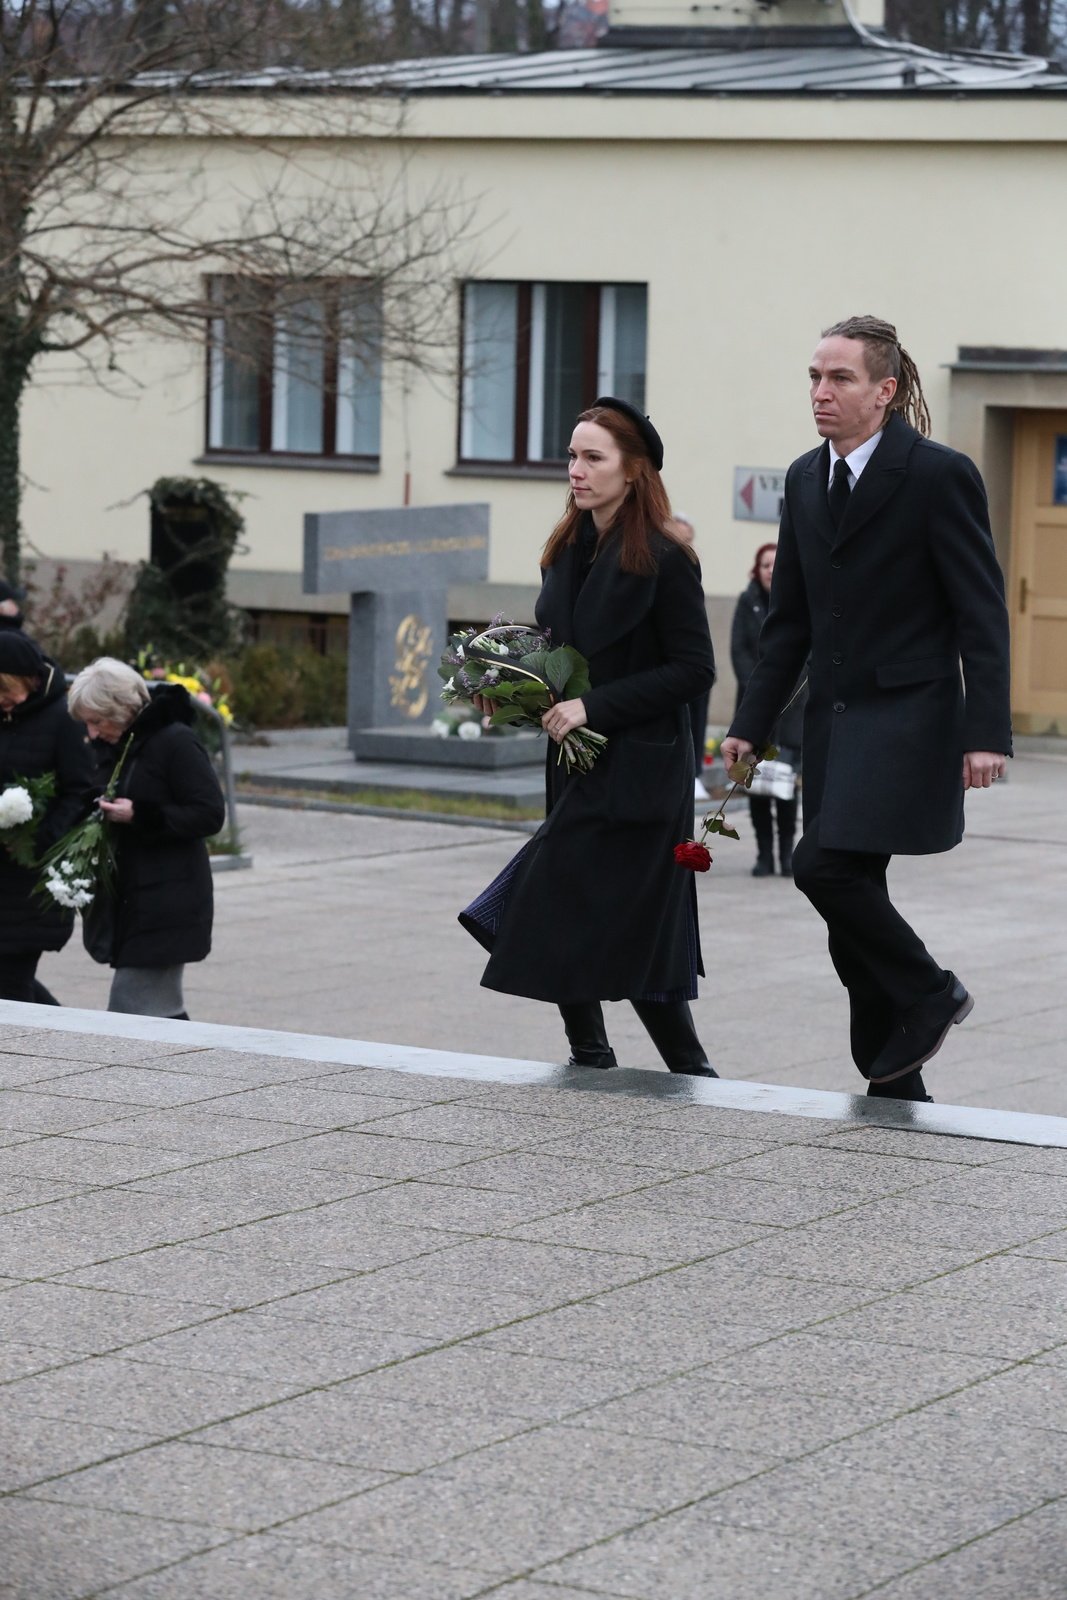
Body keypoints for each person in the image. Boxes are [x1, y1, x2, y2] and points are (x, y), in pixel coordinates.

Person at [721, 316, 1011, 1103]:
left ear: (883, 392)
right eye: (814, 376)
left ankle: (931, 991)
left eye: (839, 378)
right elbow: (789, 623)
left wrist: (986, 731)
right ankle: (893, 1078)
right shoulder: (804, 479)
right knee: (853, 895)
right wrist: (747, 723)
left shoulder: (936, 474)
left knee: (819, 867)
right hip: (835, 723)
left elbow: (980, 612)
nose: (820, 391)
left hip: (910, 715)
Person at [459, 398, 719, 1076]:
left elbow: (694, 670)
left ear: (632, 471)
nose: (575, 470)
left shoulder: (666, 559)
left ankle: (689, 1071)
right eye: (571, 456)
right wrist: (513, 688)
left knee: (607, 919)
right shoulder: (567, 550)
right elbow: (561, 650)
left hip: (642, 775)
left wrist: (592, 706)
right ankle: (592, 1055)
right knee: (565, 906)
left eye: (592, 457)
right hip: (578, 767)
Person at [67, 658, 225, 1019]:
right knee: (155, 1012)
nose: (91, 732)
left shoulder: (176, 741)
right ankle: (192, 1068)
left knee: (133, 1007)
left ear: (121, 708)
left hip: (169, 898)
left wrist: (139, 814)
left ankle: (187, 1068)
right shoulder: (120, 745)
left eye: (96, 720)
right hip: (135, 900)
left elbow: (209, 813)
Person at [0, 632, 96, 1002]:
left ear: (29, 680)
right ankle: (65, 1030)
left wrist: (41, 838)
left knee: (12, 979)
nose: (4, 701)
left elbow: (81, 790)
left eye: (6, 690)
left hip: (31, 873)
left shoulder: (62, 719)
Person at [730, 542, 806, 878]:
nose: (771, 570)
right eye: (765, 564)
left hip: (791, 709)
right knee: (754, 783)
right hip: (752, 709)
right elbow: (740, 651)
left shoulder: (797, 602)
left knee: (785, 784)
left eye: (777, 564)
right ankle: (763, 855)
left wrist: (782, 692)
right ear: (756, 569)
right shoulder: (748, 603)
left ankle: (786, 853)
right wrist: (760, 693)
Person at [670, 514, 713, 802]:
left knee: (697, 722)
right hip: (671, 667)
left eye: (689, 542)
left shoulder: (688, 569)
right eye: (679, 541)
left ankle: (695, 773)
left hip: (692, 665)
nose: (686, 547)